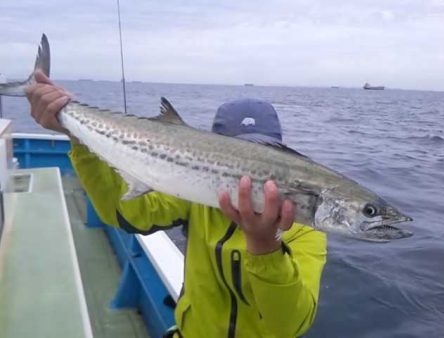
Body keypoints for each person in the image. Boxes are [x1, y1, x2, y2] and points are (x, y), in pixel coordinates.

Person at [26, 71, 327, 338]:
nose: (249, 172)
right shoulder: (197, 195)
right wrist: (77, 137)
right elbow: (125, 212)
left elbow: (290, 325)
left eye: (266, 160)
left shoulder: (301, 227)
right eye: (238, 155)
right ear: (213, 151)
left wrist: (266, 249)